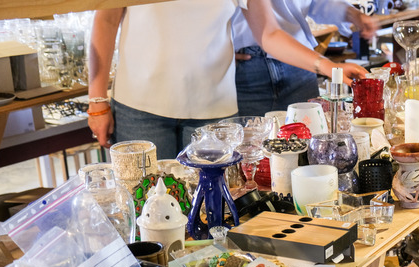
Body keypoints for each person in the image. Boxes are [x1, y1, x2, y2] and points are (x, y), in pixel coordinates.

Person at [87, 0, 369, 159]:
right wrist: (97, 101)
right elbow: (106, 21)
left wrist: (327, 65)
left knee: (211, 216)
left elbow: (269, 35)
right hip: (139, 106)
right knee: (143, 208)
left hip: (214, 112)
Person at [232, 1, 378, 116]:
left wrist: (351, 13)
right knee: (249, 148)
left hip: (301, 60)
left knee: (311, 144)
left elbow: (313, 3)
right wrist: (216, 50)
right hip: (247, 66)